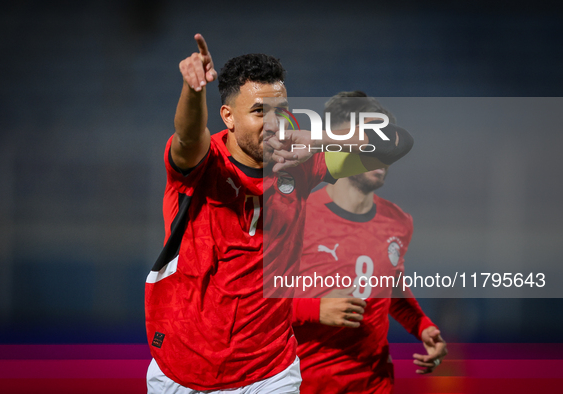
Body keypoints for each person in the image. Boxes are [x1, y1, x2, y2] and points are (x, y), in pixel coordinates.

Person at [145, 35, 414, 394]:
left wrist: (318, 140)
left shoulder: (299, 162)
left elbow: (397, 141)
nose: (273, 122)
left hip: (270, 371)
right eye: (259, 112)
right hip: (183, 365)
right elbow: (188, 135)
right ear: (227, 116)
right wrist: (193, 91)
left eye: (280, 109)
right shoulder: (202, 164)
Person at [292, 92, 447, 394]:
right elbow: (255, 302)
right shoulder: (296, 215)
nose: (384, 154)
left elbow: (390, 288)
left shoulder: (399, 222)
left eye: (387, 146)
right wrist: (315, 309)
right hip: (305, 382)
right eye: (374, 143)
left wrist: (423, 326)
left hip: (374, 383)